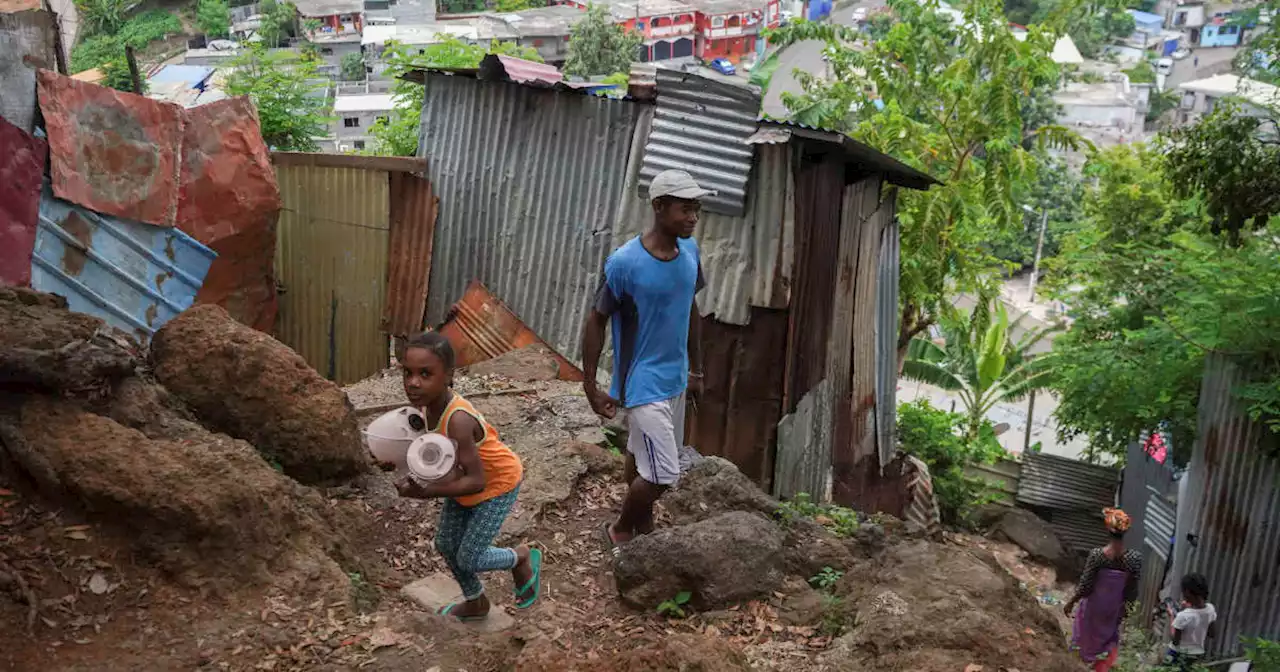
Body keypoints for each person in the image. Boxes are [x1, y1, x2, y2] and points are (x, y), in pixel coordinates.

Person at [581, 169, 709, 551]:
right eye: (685, 209)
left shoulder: (690, 252)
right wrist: (590, 385)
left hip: (675, 378)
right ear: (659, 206)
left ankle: (644, 521)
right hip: (642, 383)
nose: (693, 218)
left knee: (640, 456)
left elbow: (692, 309)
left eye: (696, 209)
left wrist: (697, 368)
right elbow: (596, 319)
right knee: (665, 473)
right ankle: (621, 528)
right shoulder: (624, 263)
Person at [388, 332, 542, 621]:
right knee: (446, 544)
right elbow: (429, 450)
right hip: (461, 481)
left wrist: (427, 491)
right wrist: (395, 463)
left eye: (425, 374)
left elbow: (478, 481)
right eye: (407, 373)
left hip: (497, 484)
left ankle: (520, 557)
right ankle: (476, 602)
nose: (413, 382)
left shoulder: (458, 419)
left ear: (448, 376)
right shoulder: (424, 407)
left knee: (470, 556)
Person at [1064, 507, 1143, 671]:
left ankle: (1077, 666)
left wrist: (1071, 602)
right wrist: (1126, 610)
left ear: (1108, 528)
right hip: (1113, 610)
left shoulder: (1097, 555)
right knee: (1107, 641)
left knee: (1084, 637)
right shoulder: (1134, 559)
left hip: (1093, 607)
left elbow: (1085, 586)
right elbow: (1132, 590)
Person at [1167, 573, 1217, 670]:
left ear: (1187, 592)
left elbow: (1175, 640)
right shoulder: (1210, 609)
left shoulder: (1183, 616)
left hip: (1178, 654)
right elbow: (1212, 634)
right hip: (1197, 655)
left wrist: (1172, 617)